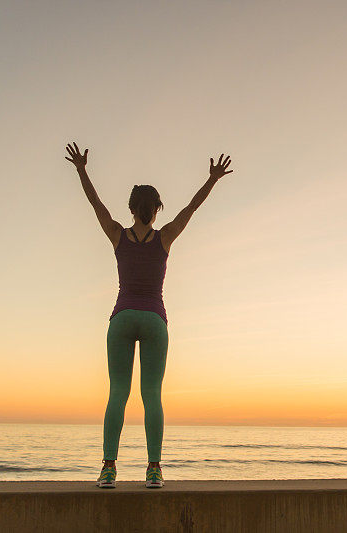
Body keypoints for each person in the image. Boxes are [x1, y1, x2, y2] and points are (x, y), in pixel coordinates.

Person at [64, 142, 233, 488]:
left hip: (122, 318)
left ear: (130, 209)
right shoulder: (165, 236)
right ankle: (154, 469)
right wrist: (212, 179)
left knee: (117, 393)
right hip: (155, 320)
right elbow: (192, 207)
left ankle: (108, 469)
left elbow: (95, 203)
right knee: (151, 394)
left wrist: (82, 170)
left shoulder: (117, 235)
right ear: (156, 210)